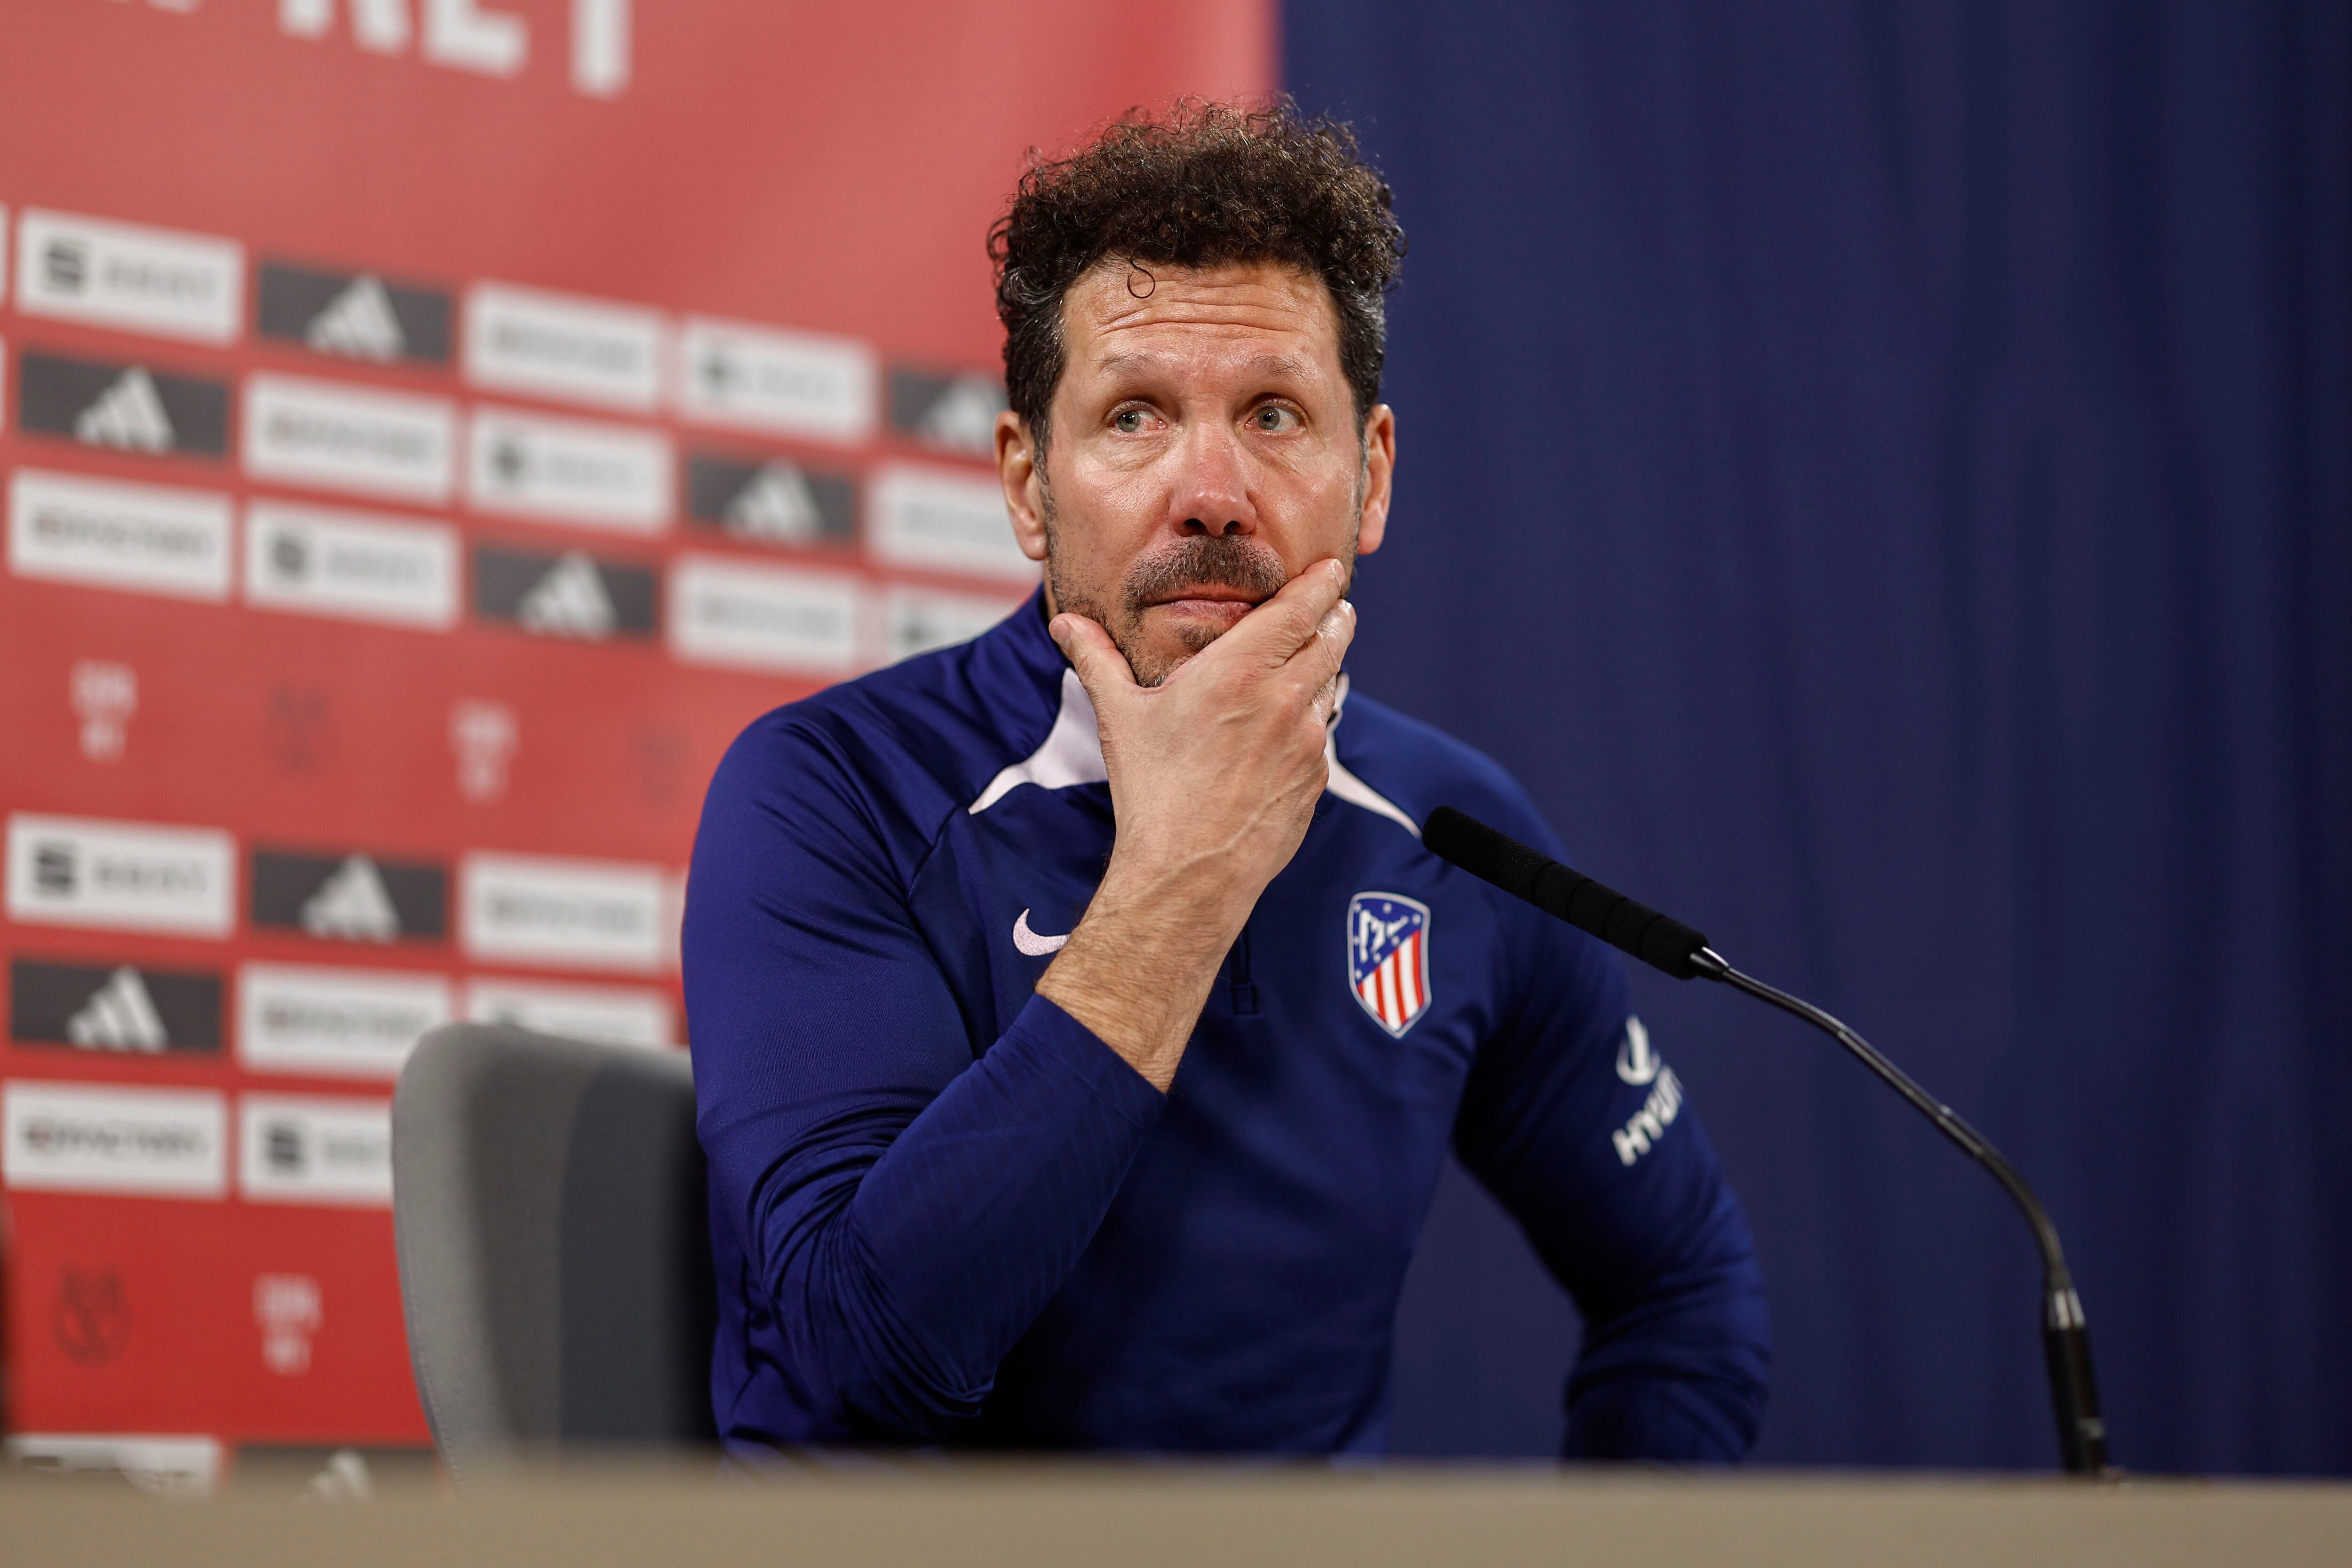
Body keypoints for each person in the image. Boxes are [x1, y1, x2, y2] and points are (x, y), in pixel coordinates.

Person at [683, 101, 1770, 1459]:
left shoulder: (1456, 837)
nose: (1212, 490)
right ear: (1030, 486)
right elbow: (855, 1364)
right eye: (1135, 415)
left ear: (1368, 477)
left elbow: (1684, 1295)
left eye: (1273, 413)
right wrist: (1180, 879)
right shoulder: (832, 794)